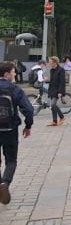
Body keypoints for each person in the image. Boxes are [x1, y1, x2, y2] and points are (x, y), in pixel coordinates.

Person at [0, 61, 34, 205]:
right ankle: (5, 184)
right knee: (11, 160)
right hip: (10, 130)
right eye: (14, 72)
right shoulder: (15, 89)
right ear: (7, 73)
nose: (15, 74)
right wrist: (28, 125)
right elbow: (28, 110)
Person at [45, 56, 67, 127]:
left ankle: (62, 117)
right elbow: (52, 81)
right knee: (52, 106)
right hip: (52, 90)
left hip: (58, 90)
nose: (49, 63)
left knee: (53, 104)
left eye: (50, 62)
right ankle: (54, 121)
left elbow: (62, 82)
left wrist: (60, 92)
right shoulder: (51, 70)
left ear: (55, 62)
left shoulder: (61, 70)